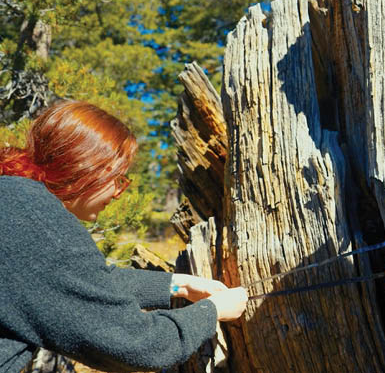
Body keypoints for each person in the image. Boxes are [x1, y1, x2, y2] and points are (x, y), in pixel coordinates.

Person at [0, 100, 248, 372]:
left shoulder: (14, 203)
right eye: (117, 178)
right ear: (86, 165)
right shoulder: (40, 222)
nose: (119, 193)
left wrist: (179, 285)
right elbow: (142, 346)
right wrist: (213, 310)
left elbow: (77, 281)